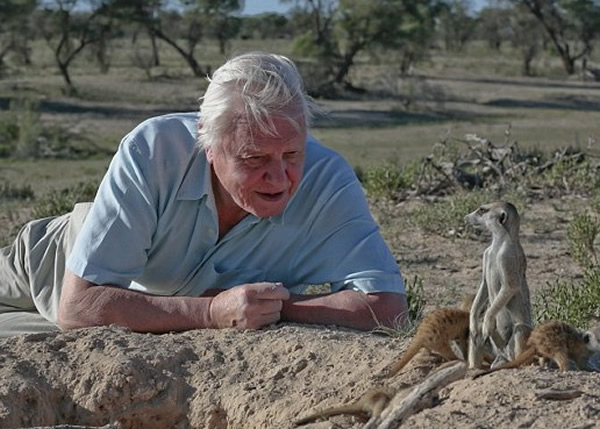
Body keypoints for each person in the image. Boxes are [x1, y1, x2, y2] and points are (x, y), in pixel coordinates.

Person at [0, 51, 408, 337]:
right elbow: (81, 306)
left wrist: (268, 306)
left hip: (136, 310)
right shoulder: (155, 148)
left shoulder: (327, 179)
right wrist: (211, 311)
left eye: (292, 153)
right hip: (54, 262)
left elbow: (388, 306)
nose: (279, 176)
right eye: (254, 158)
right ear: (207, 146)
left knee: (35, 346)